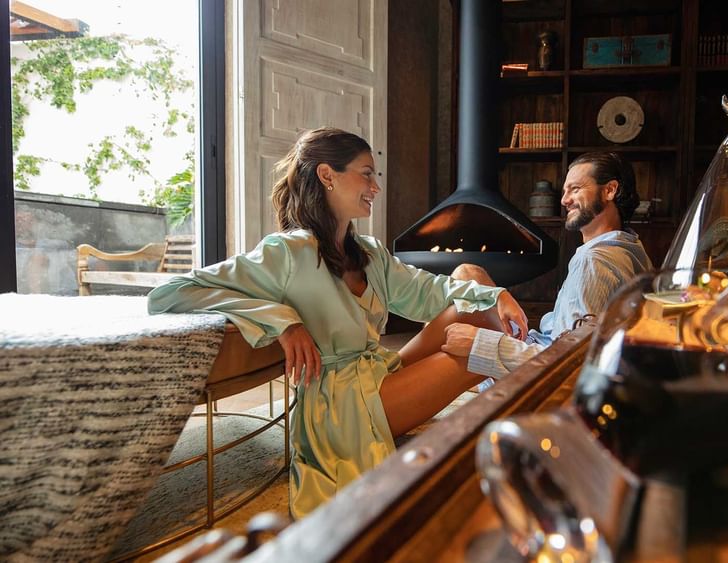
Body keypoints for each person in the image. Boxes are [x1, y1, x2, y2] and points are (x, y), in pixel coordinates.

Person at [148, 127, 527, 519]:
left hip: (377, 373)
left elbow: (427, 291)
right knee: (476, 353)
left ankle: (517, 370)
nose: (375, 187)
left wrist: (495, 295)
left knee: (474, 291)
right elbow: (173, 292)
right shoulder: (288, 252)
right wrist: (284, 322)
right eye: (366, 173)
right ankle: (526, 405)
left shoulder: (368, 253)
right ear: (327, 176)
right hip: (339, 406)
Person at [441, 152, 652, 381]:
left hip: (535, 372)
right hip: (538, 342)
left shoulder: (594, 260)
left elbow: (568, 363)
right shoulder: (631, 247)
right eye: (564, 191)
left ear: (610, 190)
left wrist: (480, 344)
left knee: (458, 317)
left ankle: (419, 372)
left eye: (575, 189)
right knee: (469, 273)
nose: (564, 200)